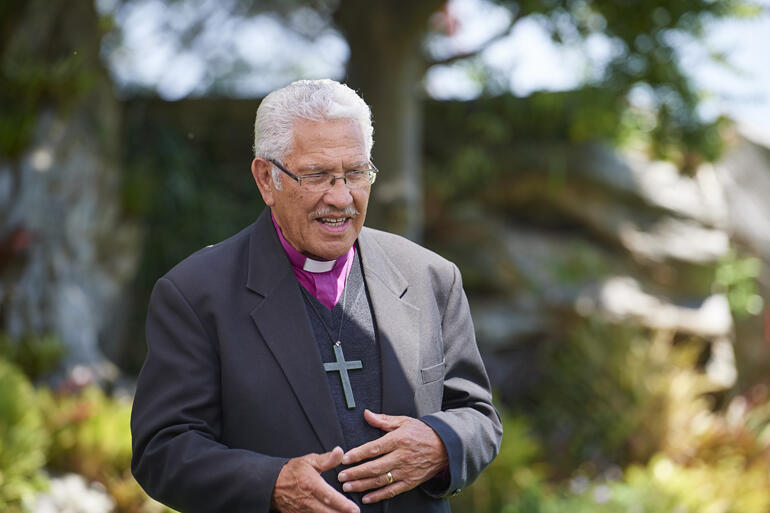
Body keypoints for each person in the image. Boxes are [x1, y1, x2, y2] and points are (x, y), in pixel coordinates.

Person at [131, 79, 502, 513]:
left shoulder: (431, 277)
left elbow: (478, 416)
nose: (342, 197)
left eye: (356, 172)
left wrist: (441, 444)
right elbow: (163, 449)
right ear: (266, 179)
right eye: (317, 175)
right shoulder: (195, 294)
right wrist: (270, 484)